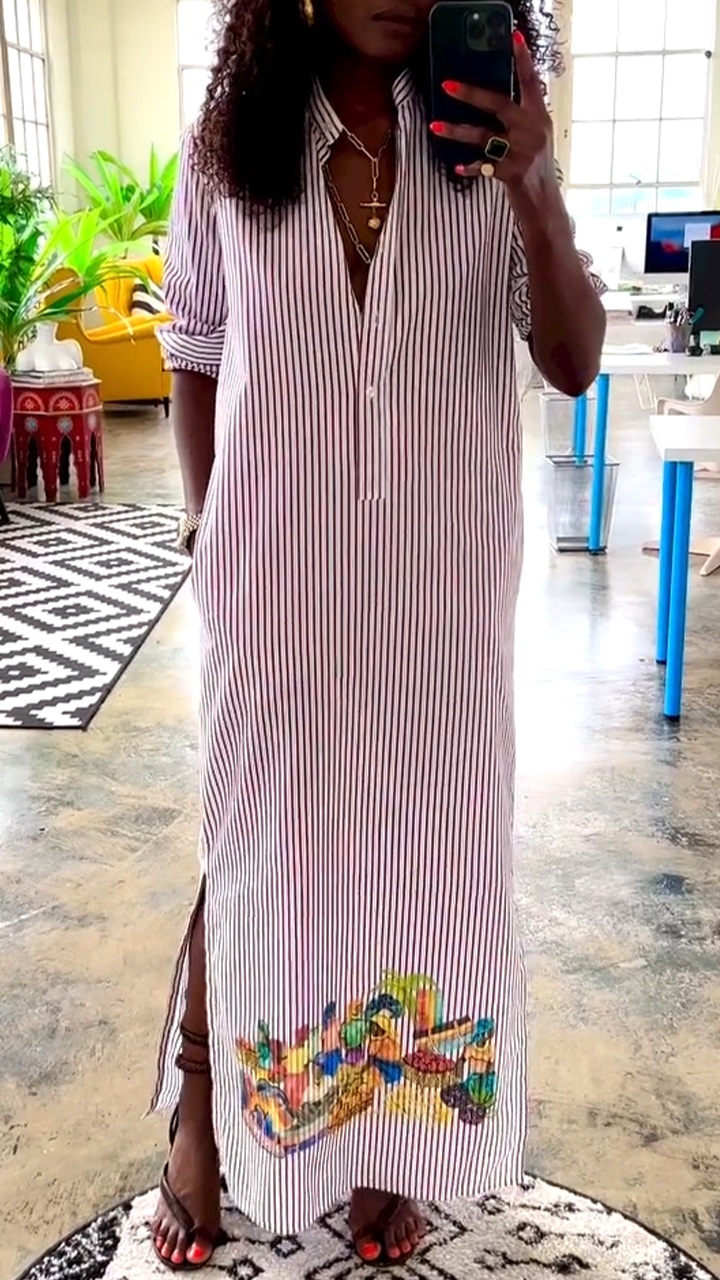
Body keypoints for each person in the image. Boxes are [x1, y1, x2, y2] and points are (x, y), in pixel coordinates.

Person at [151, 0, 606, 1270]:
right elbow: (194, 347)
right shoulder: (230, 142)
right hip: (273, 586)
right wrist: (205, 528)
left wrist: (535, 188)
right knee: (258, 848)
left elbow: (573, 361)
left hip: (439, 602)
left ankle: (386, 1137)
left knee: (423, 859)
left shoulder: (487, 140)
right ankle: (204, 1108)